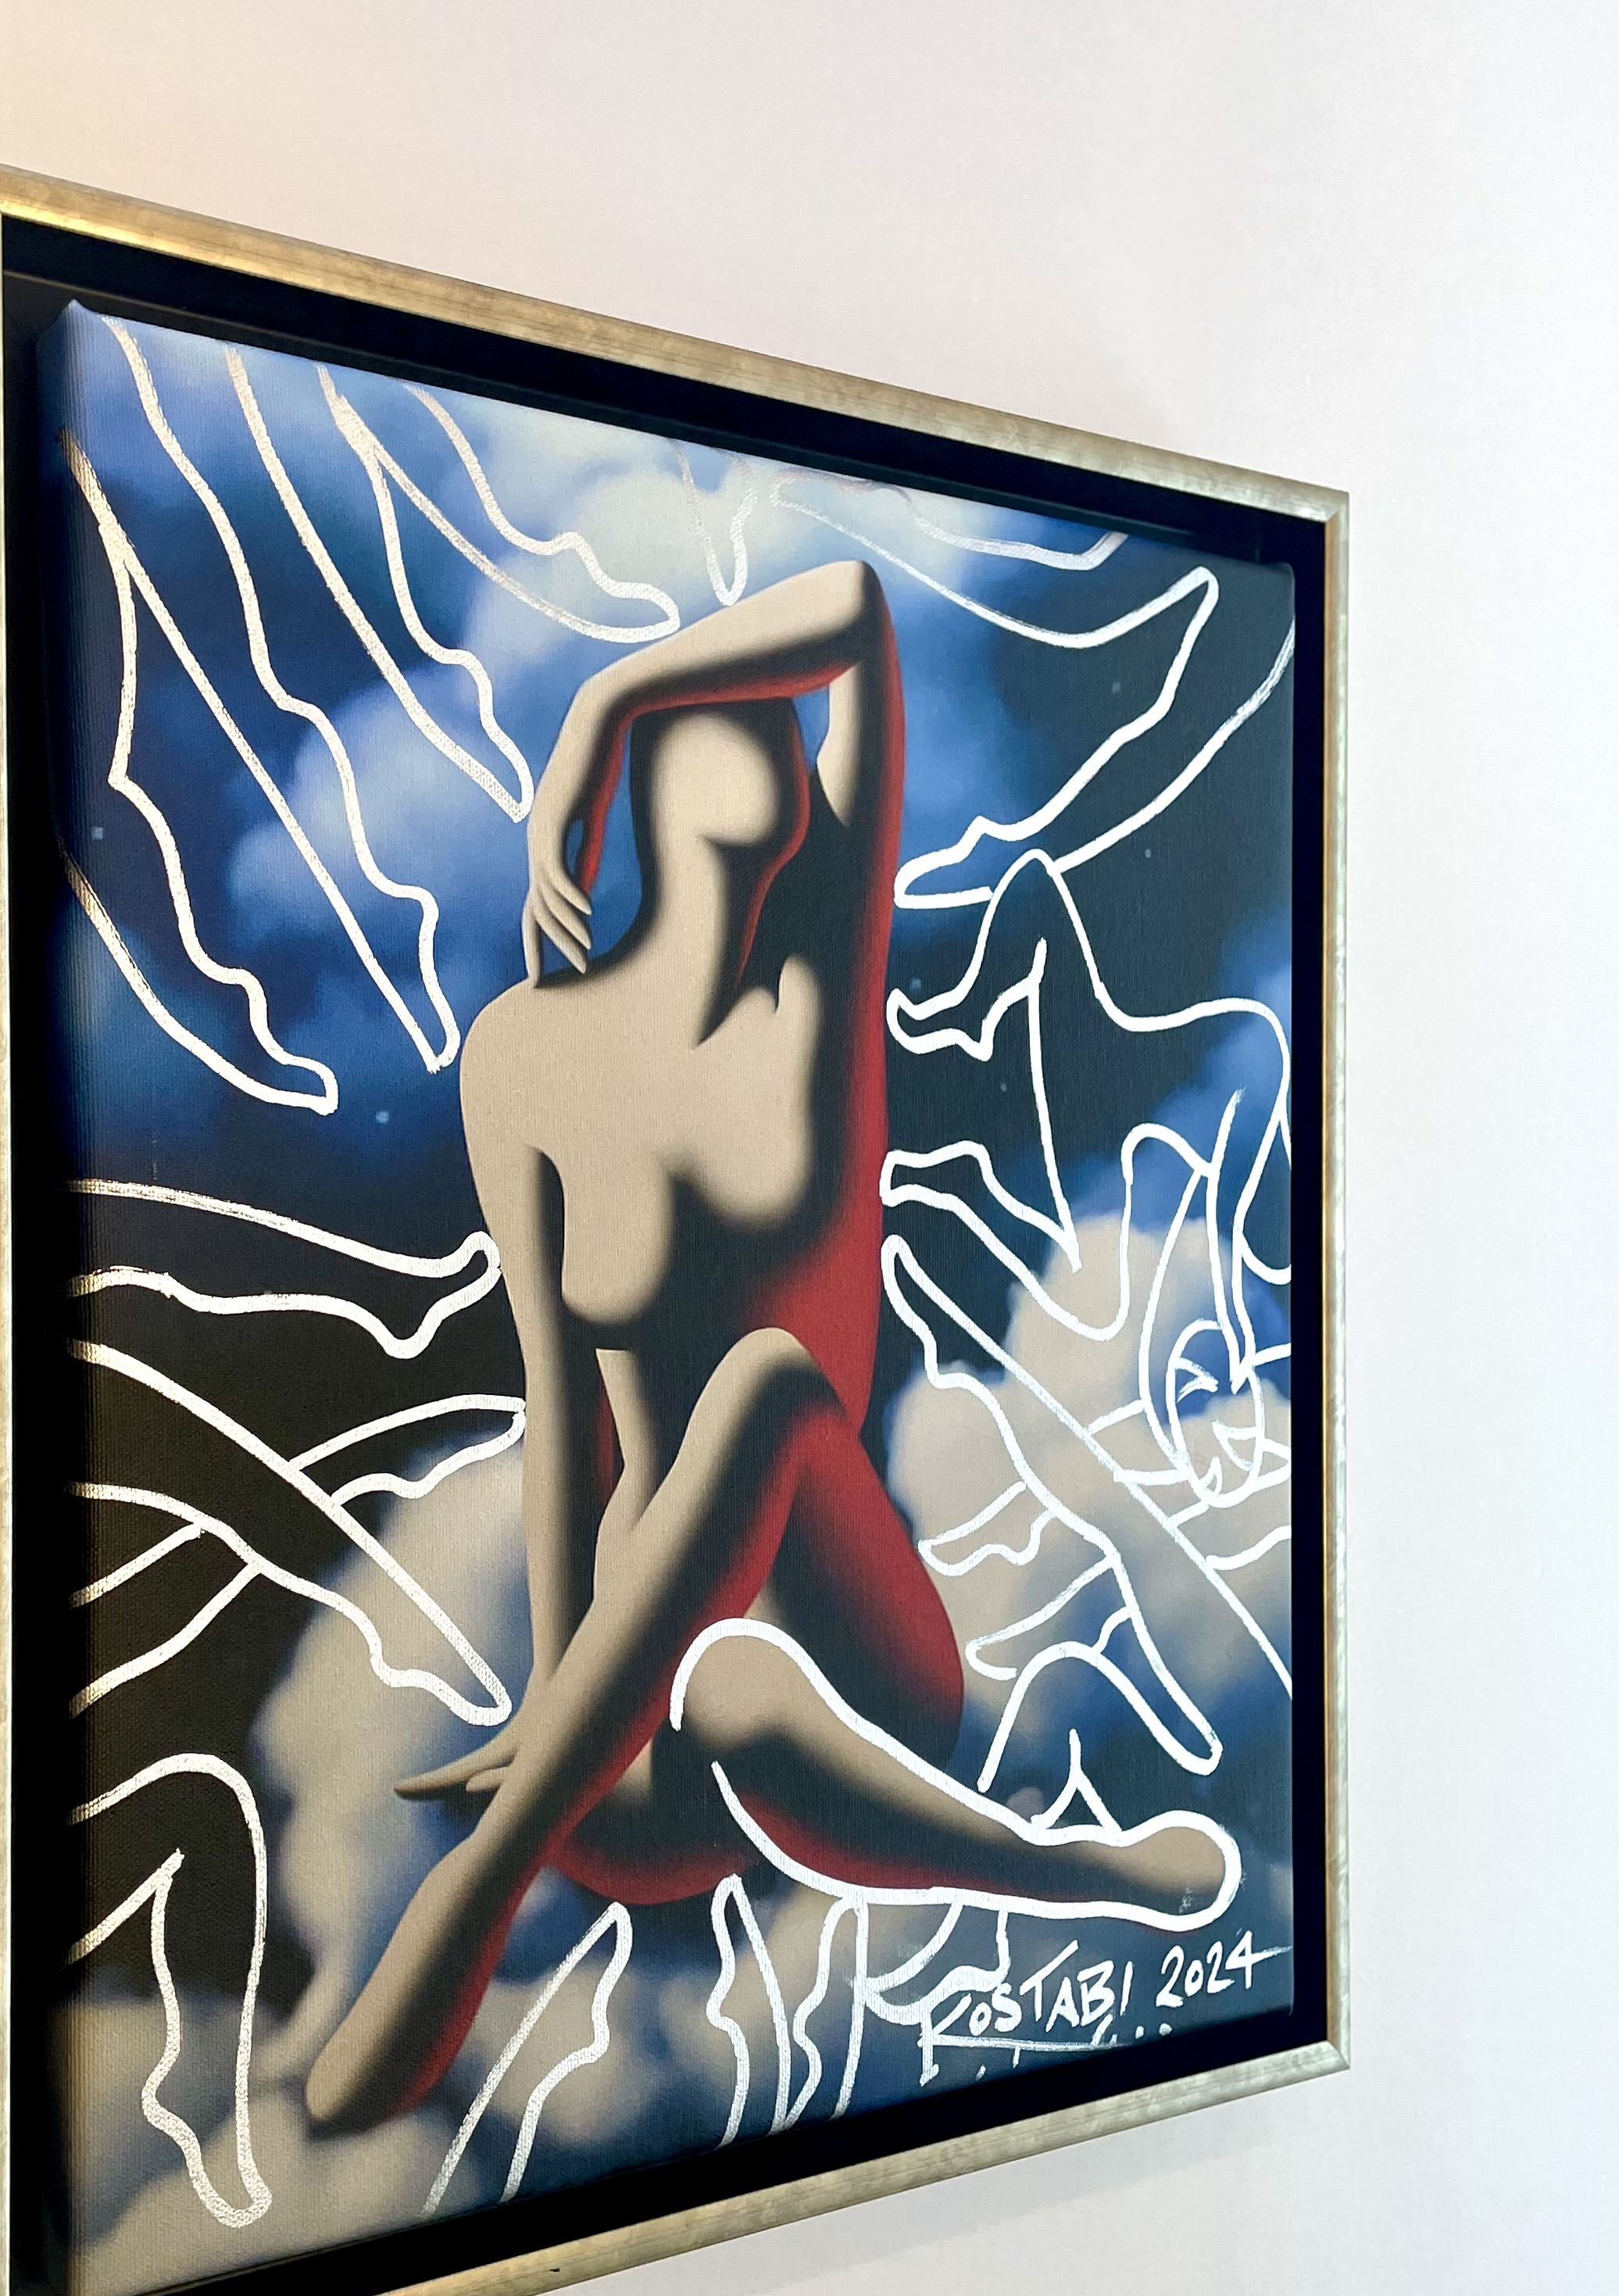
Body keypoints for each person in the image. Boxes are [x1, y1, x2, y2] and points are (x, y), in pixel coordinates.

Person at [306, 560, 1230, 2133]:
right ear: (653, 812)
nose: (768, 754)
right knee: (723, 1676)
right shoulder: (524, 1057)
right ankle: (1052, 1862)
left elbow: (855, 609)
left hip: (851, 1641)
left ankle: (480, 1886)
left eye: (771, 733)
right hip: (633, 1715)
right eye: (713, 731)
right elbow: (559, 1407)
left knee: (766, 1389)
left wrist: (608, 702)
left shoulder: (816, 981)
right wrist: (558, 1691)